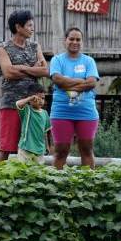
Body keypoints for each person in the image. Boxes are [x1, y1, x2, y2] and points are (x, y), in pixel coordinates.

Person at [0, 10, 48, 163]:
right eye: (29, 25)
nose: (32, 28)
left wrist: (22, 68)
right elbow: (8, 73)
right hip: (11, 103)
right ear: (18, 27)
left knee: (32, 145)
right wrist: (33, 69)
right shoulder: (3, 48)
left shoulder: (35, 46)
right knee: (6, 146)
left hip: (33, 105)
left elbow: (45, 70)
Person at [49, 27, 100, 169]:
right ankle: (57, 185)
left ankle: (88, 185)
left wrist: (68, 83)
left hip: (86, 113)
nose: (75, 42)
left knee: (86, 149)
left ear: (82, 42)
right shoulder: (57, 60)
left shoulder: (89, 61)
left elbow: (92, 83)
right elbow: (57, 80)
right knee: (61, 151)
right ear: (65, 41)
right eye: (71, 38)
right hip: (61, 112)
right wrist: (81, 81)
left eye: (78, 39)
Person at [15, 88, 50, 164]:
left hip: (40, 149)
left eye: (43, 98)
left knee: (37, 172)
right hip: (26, 148)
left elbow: (45, 132)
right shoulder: (27, 110)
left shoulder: (45, 113)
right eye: (37, 98)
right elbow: (18, 104)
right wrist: (29, 98)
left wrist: (47, 146)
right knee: (23, 170)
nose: (40, 101)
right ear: (30, 100)